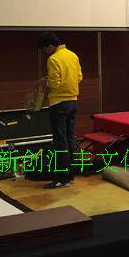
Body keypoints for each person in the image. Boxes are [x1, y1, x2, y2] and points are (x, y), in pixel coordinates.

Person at [38, 32, 82, 189]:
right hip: (73, 102)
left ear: (50, 46)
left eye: (45, 49)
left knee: (60, 142)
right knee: (70, 139)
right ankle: (70, 175)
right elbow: (79, 77)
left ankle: (62, 178)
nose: (45, 52)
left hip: (58, 104)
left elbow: (55, 84)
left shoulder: (53, 59)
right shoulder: (73, 55)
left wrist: (47, 81)